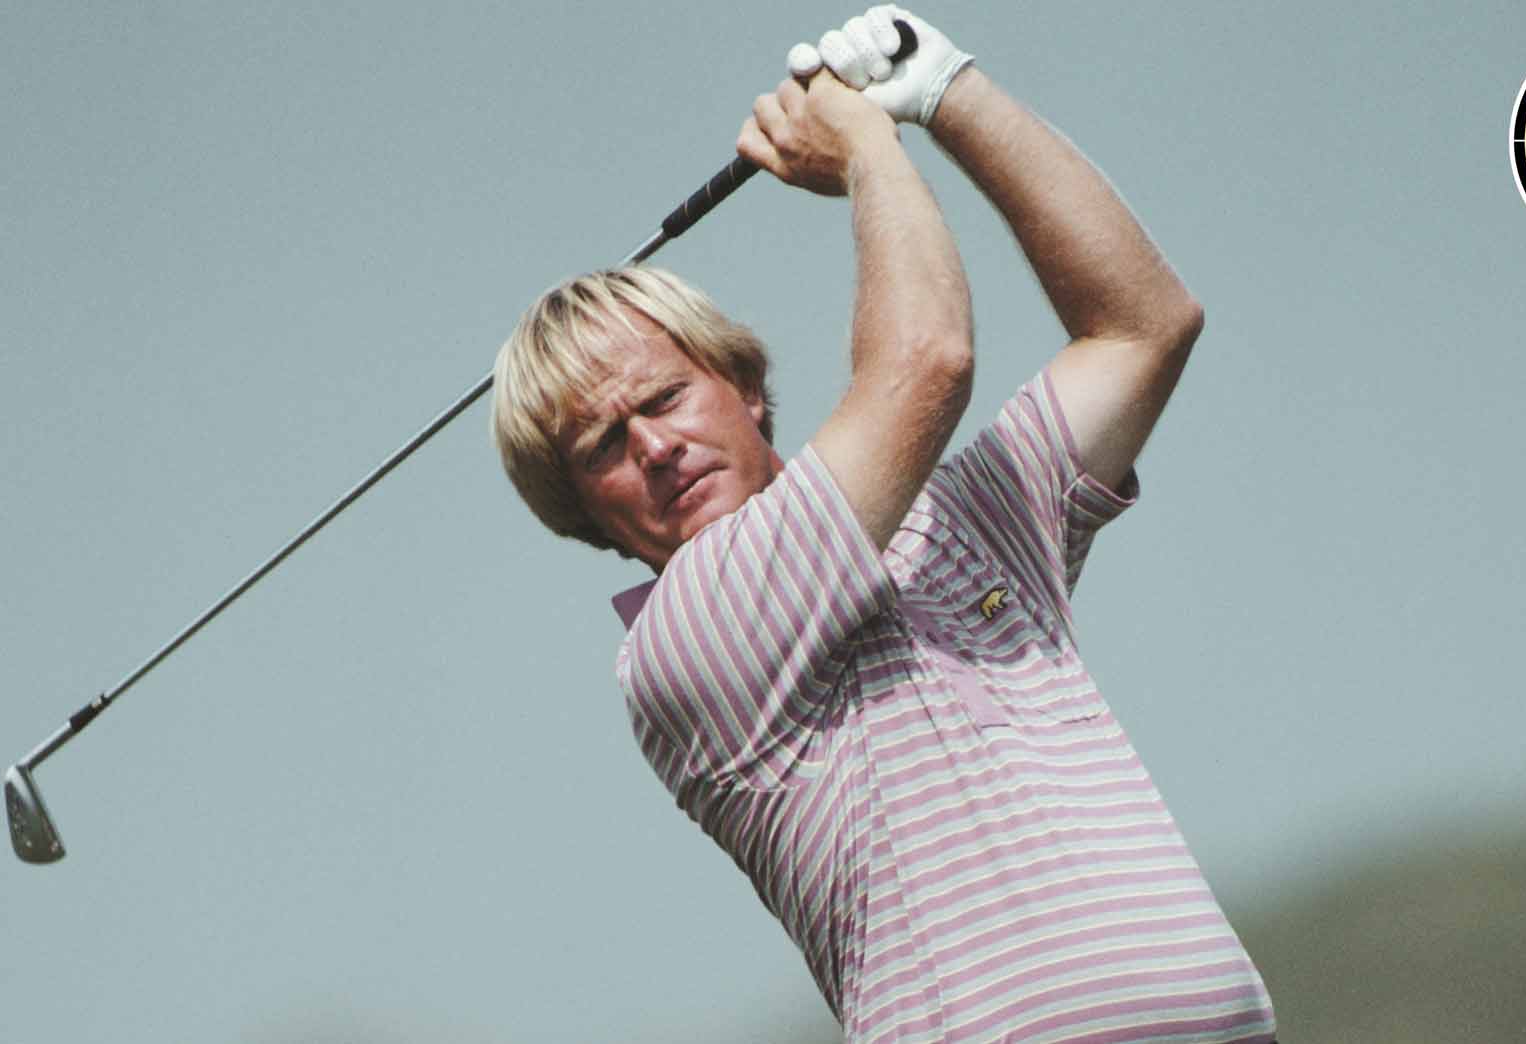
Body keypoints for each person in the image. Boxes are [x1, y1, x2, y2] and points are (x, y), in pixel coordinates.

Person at [491, 7, 1275, 1041]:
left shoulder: (964, 525)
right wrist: (865, 143)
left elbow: (1142, 325)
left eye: (664, 399)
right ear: (586, 516)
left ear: (745, 387)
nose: (650, 448)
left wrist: (947, 89)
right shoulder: (688, 644)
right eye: (600, 447)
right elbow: (927, 361)